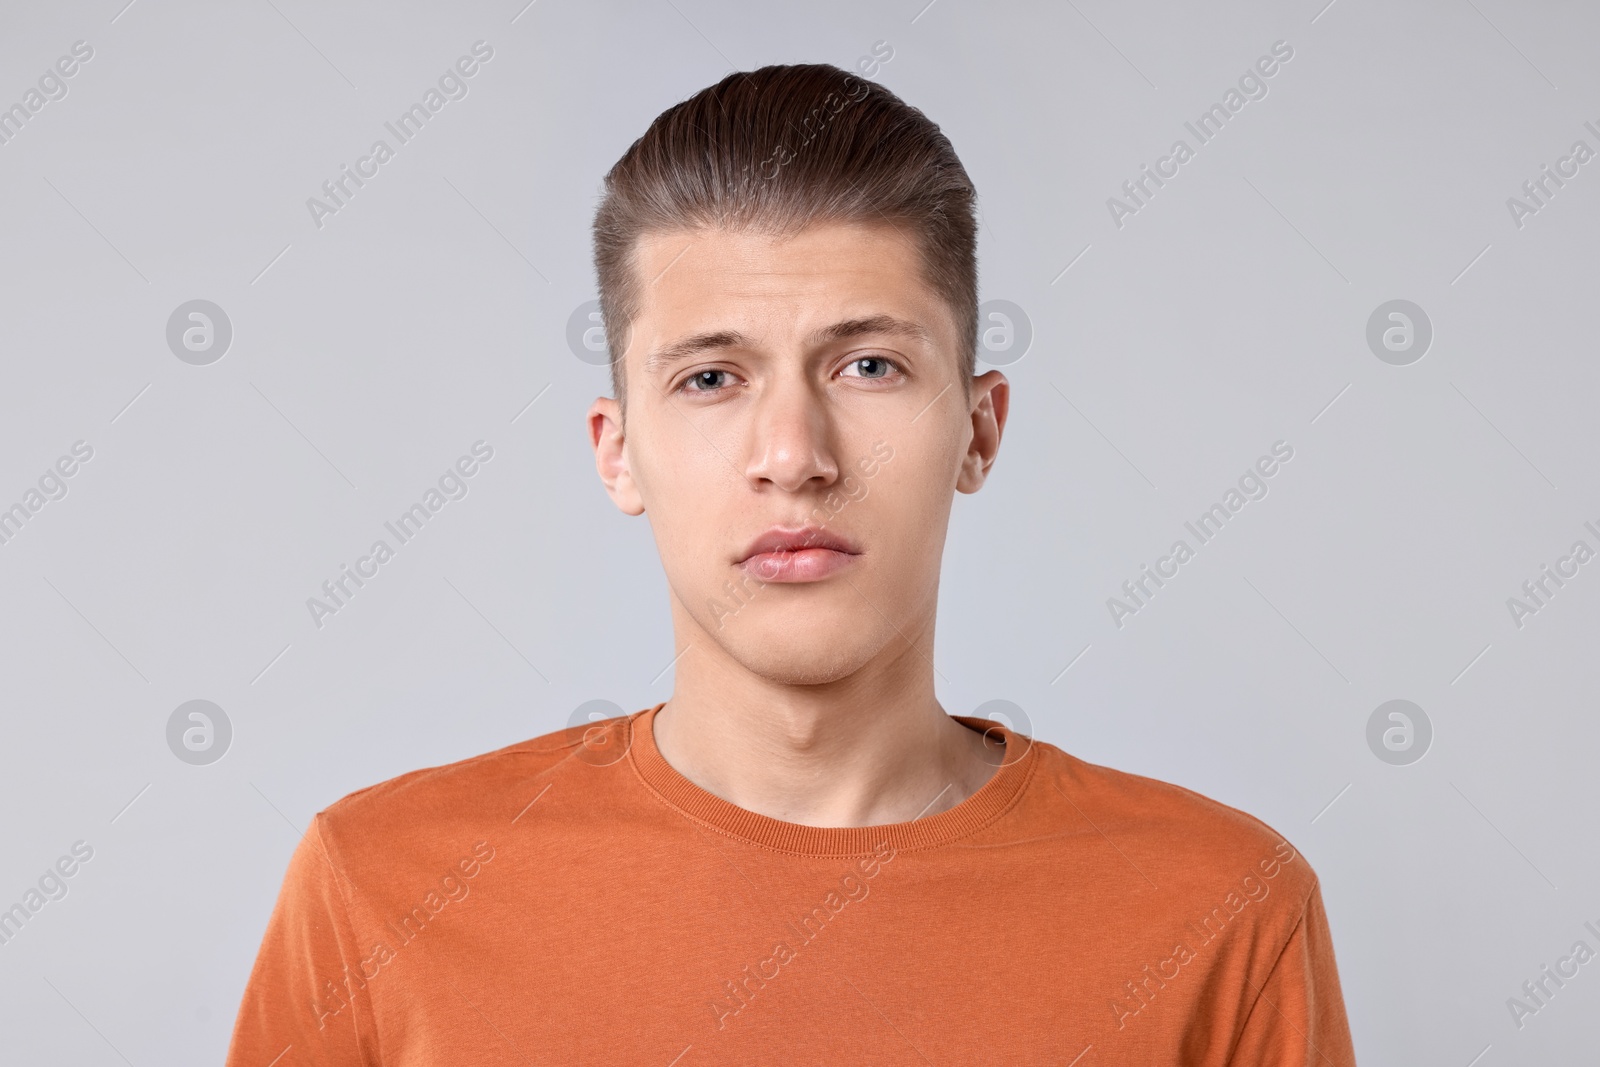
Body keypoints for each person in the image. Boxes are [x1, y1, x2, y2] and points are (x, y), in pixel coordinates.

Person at [225, 62, 1357, 1065]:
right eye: (710, 377)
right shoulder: (378, 885)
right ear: (618, 454)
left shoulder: (1221, 911)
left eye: (866, 364)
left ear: (978, 430)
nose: (793, 455)